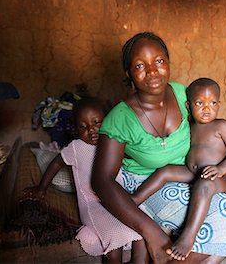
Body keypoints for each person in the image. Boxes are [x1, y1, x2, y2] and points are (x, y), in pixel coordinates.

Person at [92, 32, 226, 264]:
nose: (152, 71)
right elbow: (102, 181)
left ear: (168, 63)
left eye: (159, 61)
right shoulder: (119, 118)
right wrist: (150, 231)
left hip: (189, 174)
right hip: (147, 183)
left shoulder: (184, 95)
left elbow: (218, 139)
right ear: (129, 73)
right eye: (140, 65)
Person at [131, 77, 226, 261]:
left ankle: (188, 237)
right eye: (200, 103)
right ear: (188, 105)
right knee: (166, 171)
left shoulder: (221, 126)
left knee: (204, 186)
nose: (207, 108)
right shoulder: (188, 126)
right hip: (192, 171)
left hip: (218, 178)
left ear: (219, 104)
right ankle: (134, 199)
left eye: (213, 103)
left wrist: (221, 168)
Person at [25, 97, 147, 264]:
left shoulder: (113, 142)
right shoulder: (76, 147)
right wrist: (42, 187)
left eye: (97, 123)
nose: (91, 130)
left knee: (142, 232)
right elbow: (56, 163)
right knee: (114, 235)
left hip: (116, 201)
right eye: (83, 127)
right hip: (93, 205)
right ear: (75, 129)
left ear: (108, 121)